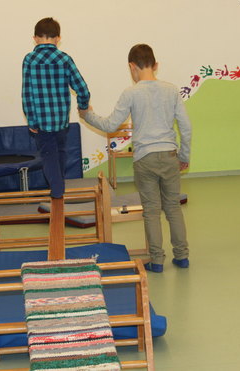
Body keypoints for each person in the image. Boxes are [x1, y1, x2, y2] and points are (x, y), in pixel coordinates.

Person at [79, 44, 192, 272]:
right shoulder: (171, 90)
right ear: (155, 65)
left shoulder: (131, 93)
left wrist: (87, 115)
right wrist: (184, 155)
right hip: (169, 154)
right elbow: (186, 127)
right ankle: (182, 257)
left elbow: (110, 125)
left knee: (151, 210)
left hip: (144, 158)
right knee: (173, 207)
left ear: (132, 67)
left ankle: (157, 261)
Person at [22, 17, 90, 200]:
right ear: (58, 38)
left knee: (48, 156)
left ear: (35, 38)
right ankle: (59, 189)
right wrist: (83, 106)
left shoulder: (29, 60)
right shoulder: (64, 59)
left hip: (41, 121)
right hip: (61, 121)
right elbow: (82, 88)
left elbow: (27, 93)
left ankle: (57, 192)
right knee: (60, 153)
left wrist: (31, 121)